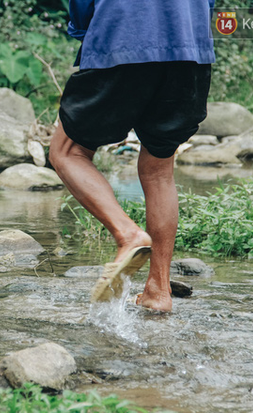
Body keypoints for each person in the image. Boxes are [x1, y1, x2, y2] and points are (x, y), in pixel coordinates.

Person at [49, 1, 216, 312]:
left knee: (67, 151)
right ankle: (158, 292)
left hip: (125, 34)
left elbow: (82, 8)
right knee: (159, 169)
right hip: (190, 48)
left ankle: (128, 233)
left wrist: (87, 31)